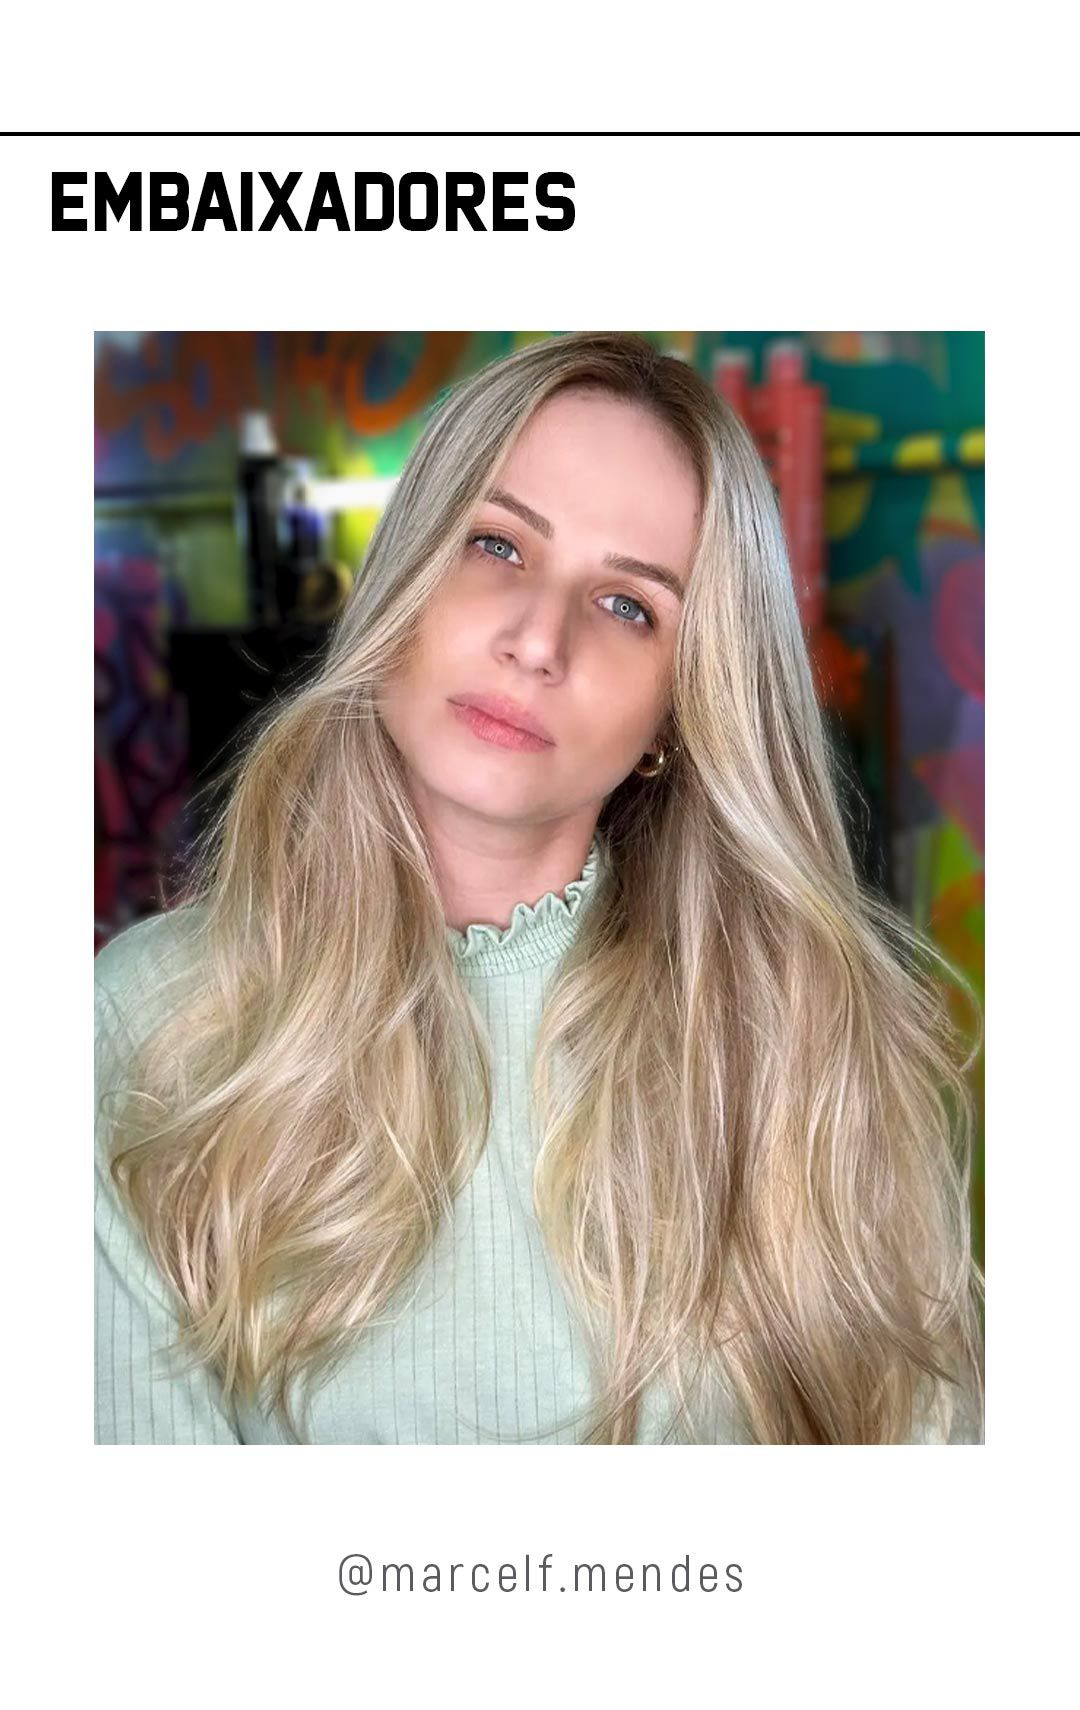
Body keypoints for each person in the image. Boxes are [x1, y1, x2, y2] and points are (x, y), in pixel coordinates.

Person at [95, 331, 984, 1445]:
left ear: (679, 710)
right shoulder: (145, 1026)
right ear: (403, 580)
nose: (537, 640)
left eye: (629, 606)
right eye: (498, 545)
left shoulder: (820, 1045)